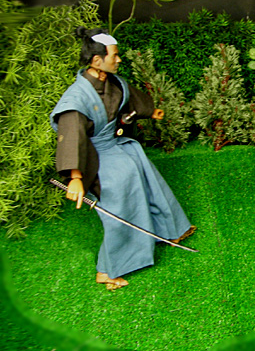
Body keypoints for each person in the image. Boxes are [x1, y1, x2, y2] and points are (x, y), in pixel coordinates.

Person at [50, 27, 196, 290]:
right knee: (120, 202)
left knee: (149, 179)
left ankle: (169, 230)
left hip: (118, 146)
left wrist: (150, 111)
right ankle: (107, 270)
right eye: (114, 55)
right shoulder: (77, 98)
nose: (119, 60)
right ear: (97, 61)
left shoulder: (113, 82)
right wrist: (75, 178)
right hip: (96, 156)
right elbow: (72, 137)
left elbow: (129, 97)